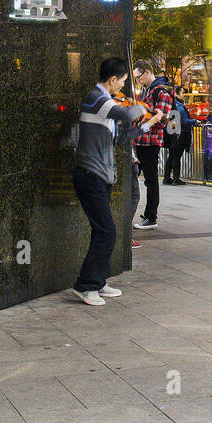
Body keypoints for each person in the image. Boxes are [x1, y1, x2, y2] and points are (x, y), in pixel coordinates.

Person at [71, 57, 153, 305]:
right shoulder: (97, 99)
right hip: (89, 175)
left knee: (103, 231)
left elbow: (118, 139)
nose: (123, 88)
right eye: (124, 82)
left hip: (101, 176)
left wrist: (147, 125)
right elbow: (127, 112)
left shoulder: (104, 105)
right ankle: (86, 286)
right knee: (107, 231)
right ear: (113, 79)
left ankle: (98, 281)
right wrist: (141, 107)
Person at [132, 59, 174, 229]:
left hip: (150, 142)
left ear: (147, 72)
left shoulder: (162, 92)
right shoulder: (147, 91)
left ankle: (151, 216)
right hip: (140, 141)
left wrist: (142, 115)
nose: (138, 80)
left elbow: (162, 121)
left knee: (150, 180)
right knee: (134, 178)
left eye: (139, 77)